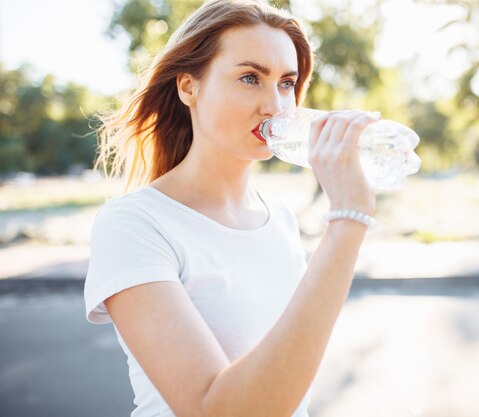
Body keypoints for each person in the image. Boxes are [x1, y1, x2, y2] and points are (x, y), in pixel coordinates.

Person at [84, 1, 379, 416]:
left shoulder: (280, 218)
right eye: (249, 78)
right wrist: (348, 220)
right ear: (189, 86)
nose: (275, 106)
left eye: (286, 83)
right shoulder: (134, 224)